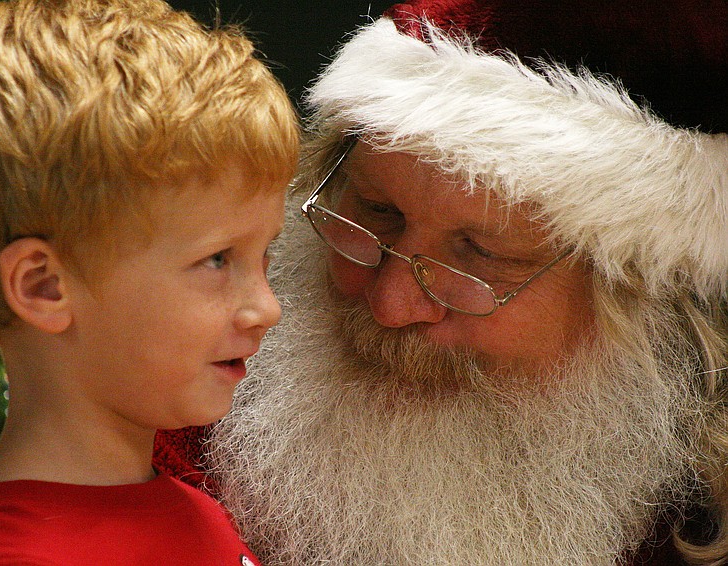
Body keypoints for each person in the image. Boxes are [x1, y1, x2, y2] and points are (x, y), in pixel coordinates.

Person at [153, 0, 728, 564]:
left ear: (646, 303)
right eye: (376, 211)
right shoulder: (145, 431)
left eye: (479, 254)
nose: (390, 304)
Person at [0, 0, 298, 563]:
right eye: (217, 260)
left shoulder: (196, 512)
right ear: (44, 286)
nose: (266, 307)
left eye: (263, 256)